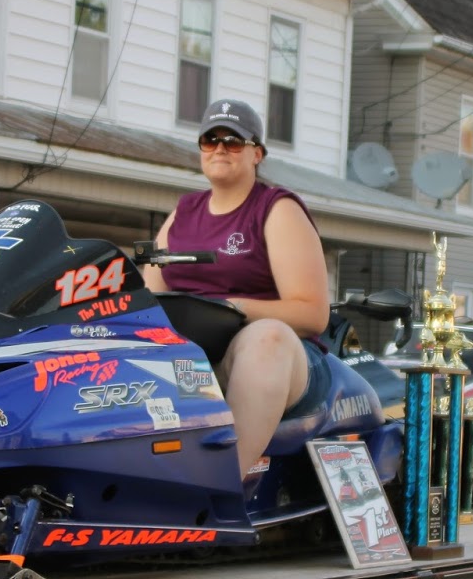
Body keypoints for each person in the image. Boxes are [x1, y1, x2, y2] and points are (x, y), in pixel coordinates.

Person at [140, 98, 330, 474]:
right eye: (210, 140)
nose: (220, 148)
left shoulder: (277, 209)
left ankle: (219, 486)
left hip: (281, 360)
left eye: (233, 141)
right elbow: (151, 302)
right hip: (197, 355)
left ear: (256, 153)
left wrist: (229, 307)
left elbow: (312, 313)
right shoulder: (184, 212)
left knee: (268, 338)